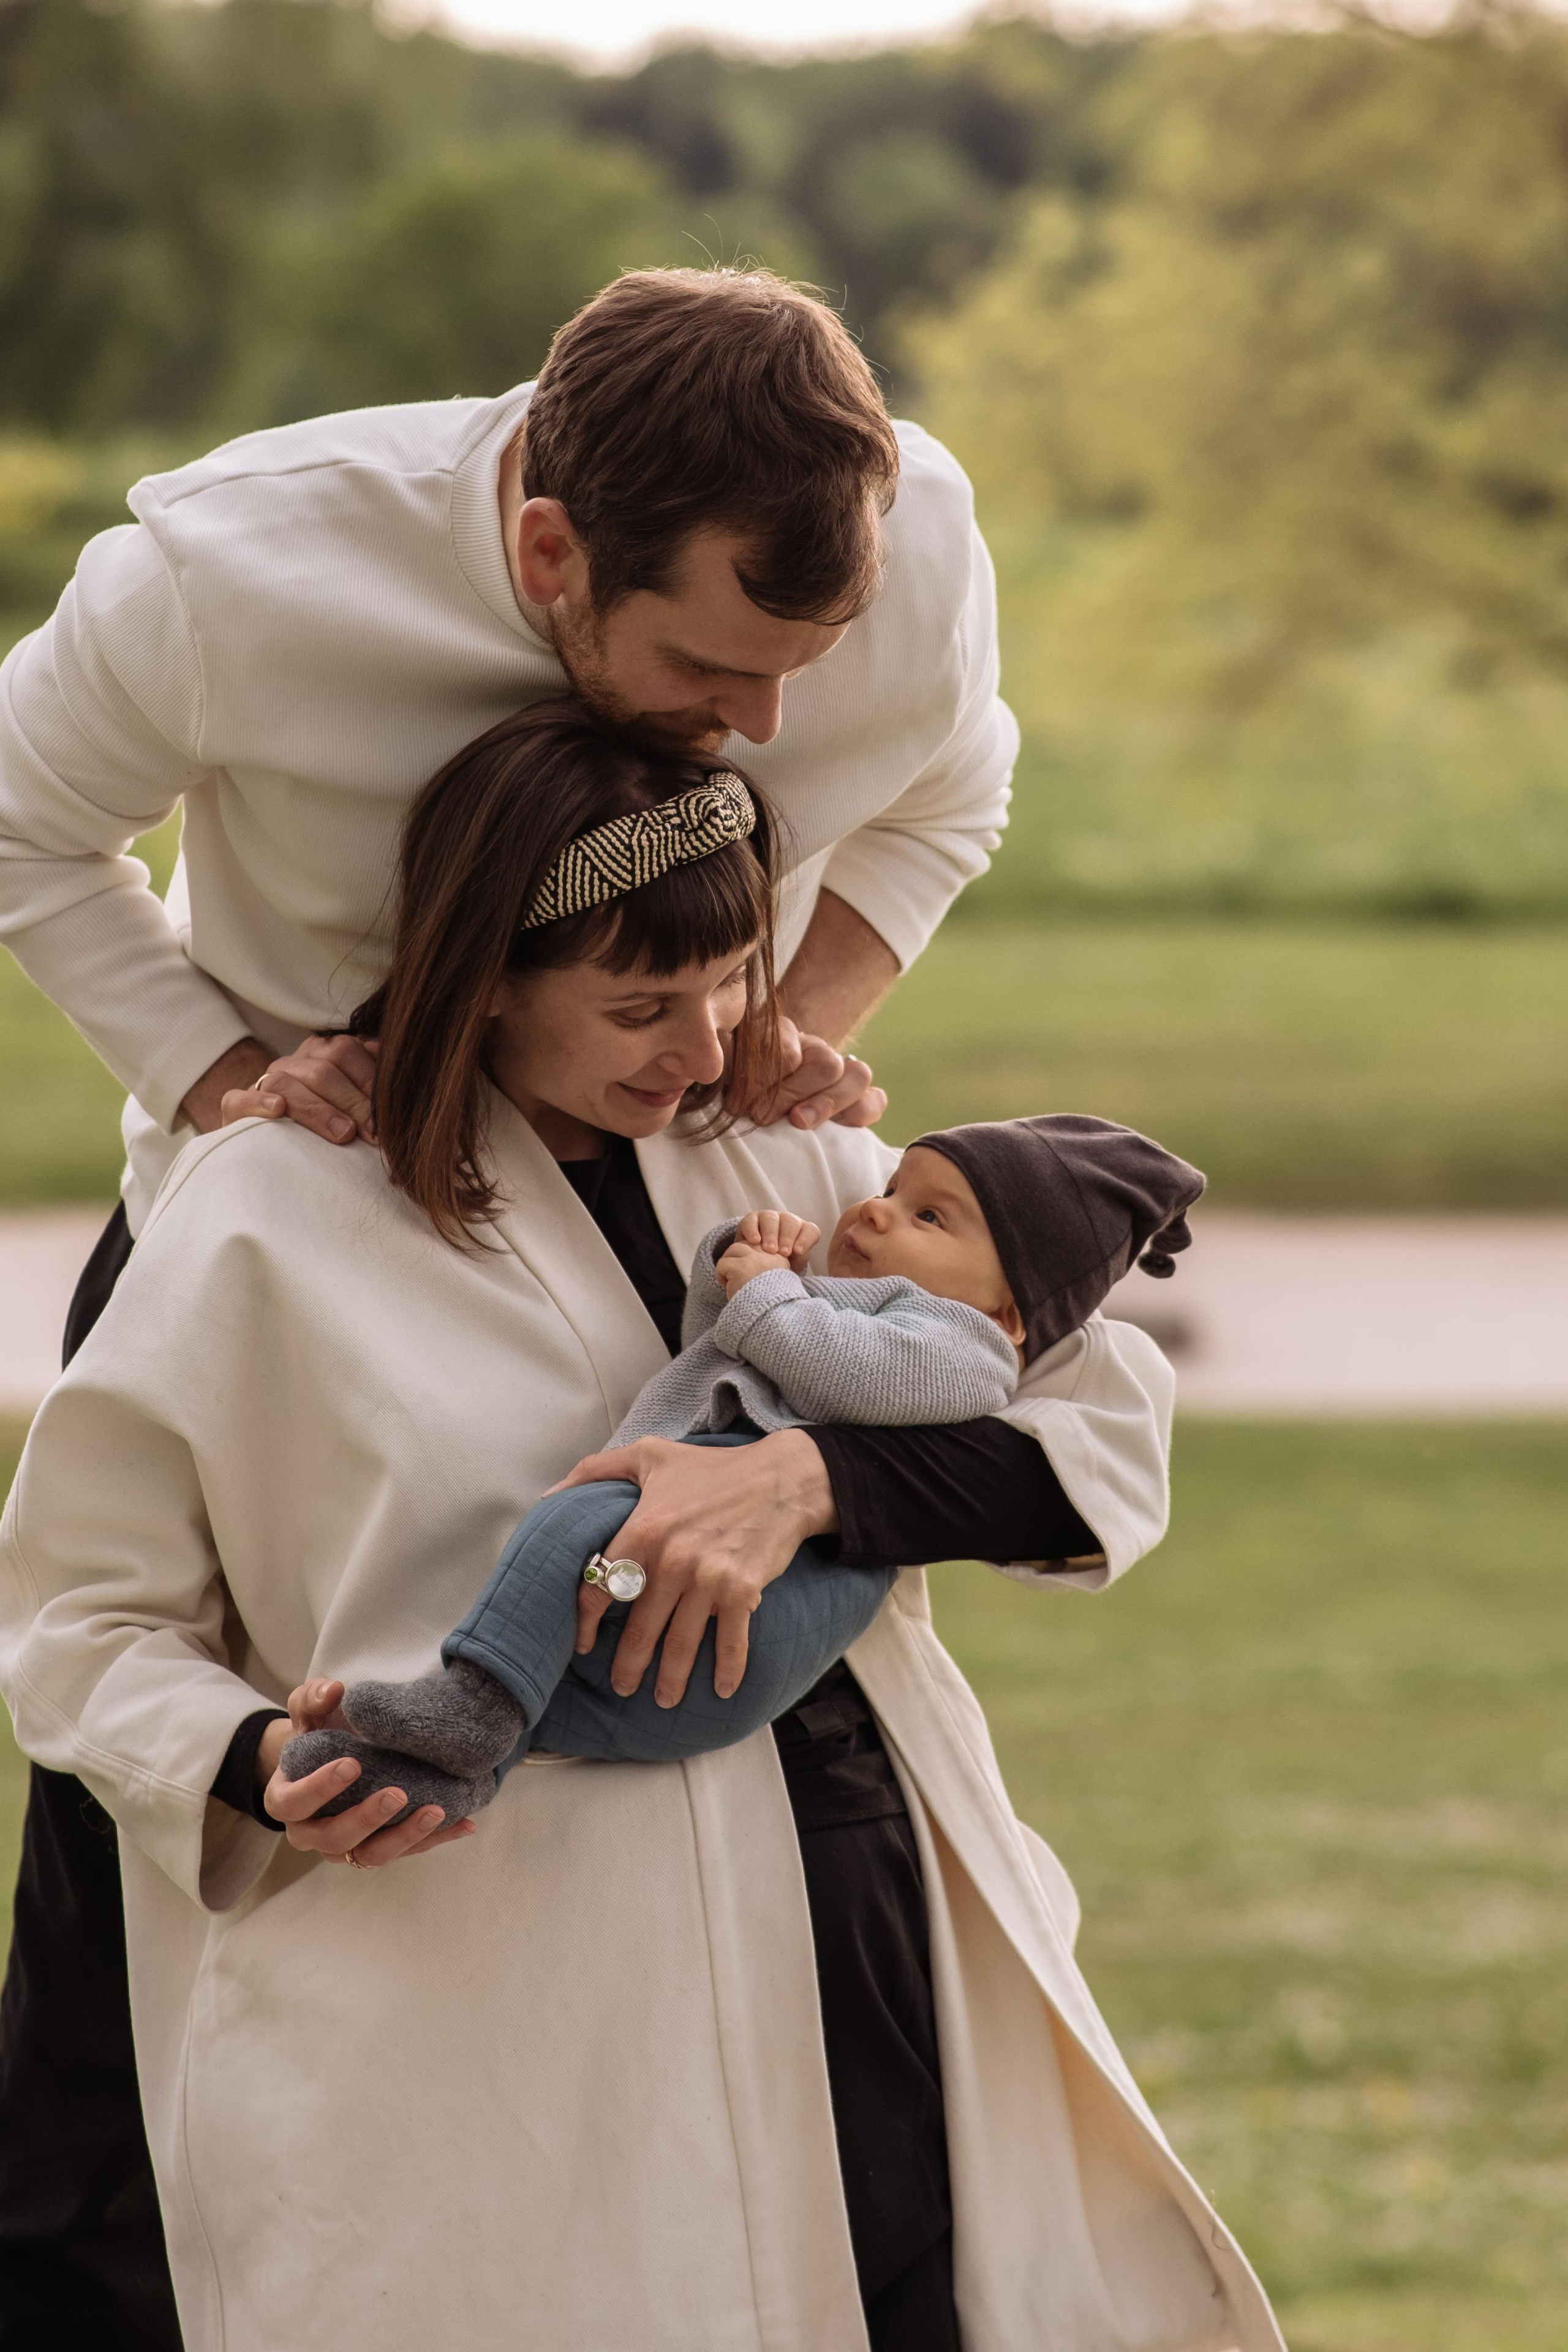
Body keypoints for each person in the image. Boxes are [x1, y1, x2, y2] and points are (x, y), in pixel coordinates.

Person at [0, 700, 1283, 2352]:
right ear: (486, 977)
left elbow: (1096, 1429)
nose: (702, 1048)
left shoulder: (797, 1157)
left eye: (732, 981)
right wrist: (252, 1762)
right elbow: (77, 1620)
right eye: (637, 1007)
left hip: (853, 1936)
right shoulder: (263, 1216)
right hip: (485, 1991)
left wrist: (812, 1484)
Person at [0, 263, 1017, 2342]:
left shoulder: (909, 551)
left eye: (805, 670)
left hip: (701, 1231)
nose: (766, 729)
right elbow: (19, 821)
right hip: (294, 1280)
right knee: (120, 2061)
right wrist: (223, 1080)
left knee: (760, 1907)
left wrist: (792, 1024)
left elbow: (955, 787)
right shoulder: (229, 577)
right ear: (551, 553)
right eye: (712, 668)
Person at [322, 1107, 1205, 1807]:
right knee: (553, 1693)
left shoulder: (963, 1347)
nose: (875, 1209)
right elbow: (713, 1352)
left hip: (774, 1616)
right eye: (892, 1189)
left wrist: (774, 1295)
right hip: (698, 1652)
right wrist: (737, 1264)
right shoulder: (847, 1302)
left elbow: (849, 1373)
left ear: (1011, 1313)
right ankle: (432, 1769)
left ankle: (472, 1697)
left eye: (929, 1217)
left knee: (573, 1516)